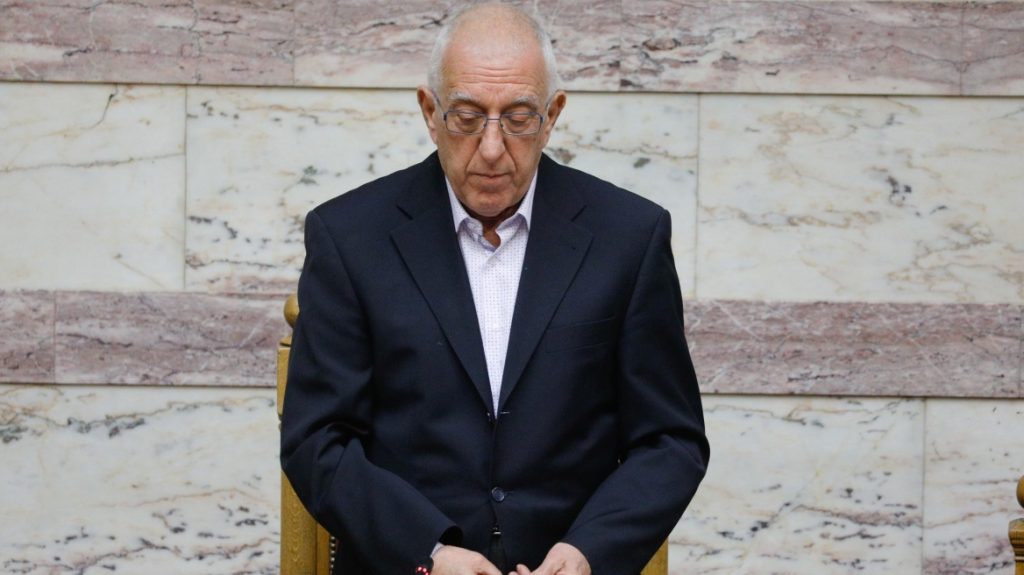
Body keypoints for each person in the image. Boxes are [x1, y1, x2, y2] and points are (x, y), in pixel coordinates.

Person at [280, 4, 709, 574]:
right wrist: (429, 553)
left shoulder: (629, 237)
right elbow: (316, 440)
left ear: (552, 115)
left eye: (518, 118)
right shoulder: (349, 237)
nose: (490, 147)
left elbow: (671, 441)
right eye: (466, 117)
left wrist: (588, 553)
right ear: (429, 112)